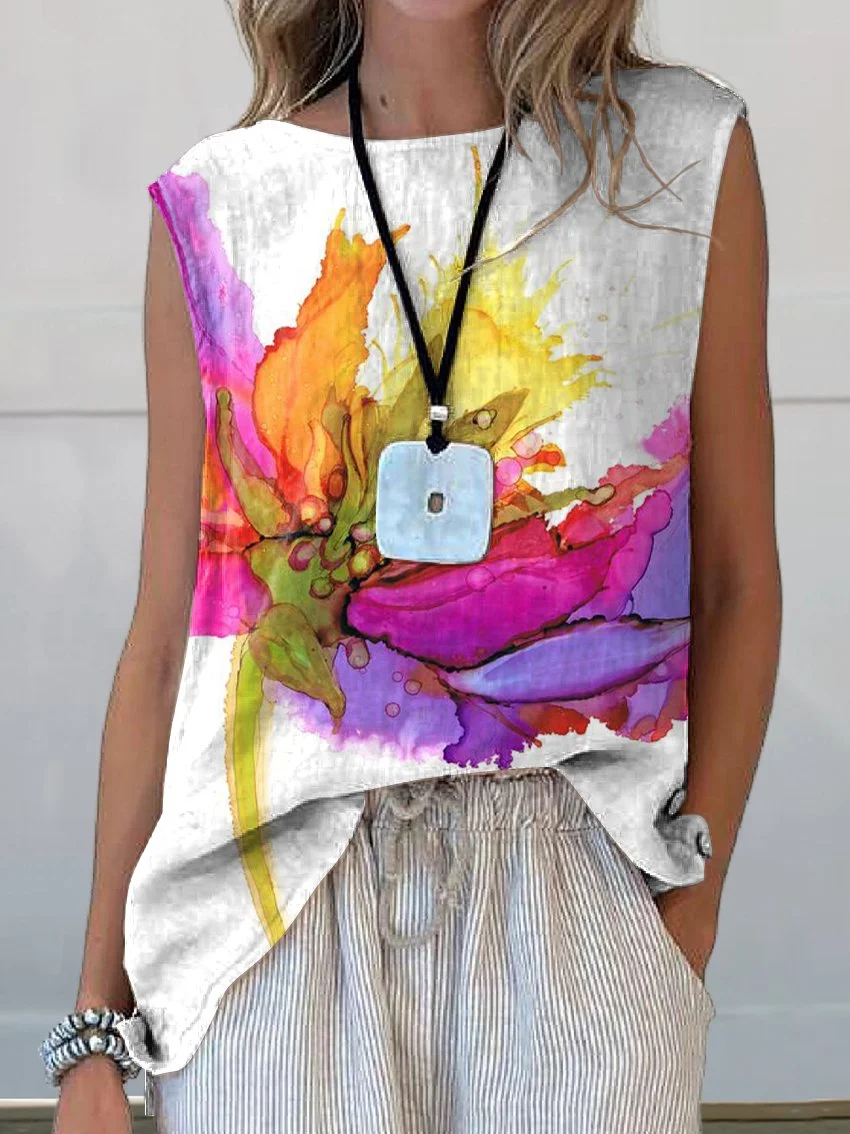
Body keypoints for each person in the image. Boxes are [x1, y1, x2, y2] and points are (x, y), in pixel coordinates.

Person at [46, 0, 780, 1130]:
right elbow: (167, 643)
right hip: (274, 932)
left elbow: (735, 580)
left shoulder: (679, 157)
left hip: (576, 901)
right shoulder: (223, 202)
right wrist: (97, 1021)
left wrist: (688, 911)